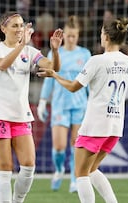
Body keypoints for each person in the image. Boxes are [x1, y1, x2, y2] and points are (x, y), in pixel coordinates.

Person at [37, 17, 128, 203]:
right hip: (115, 125)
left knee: (81, 174)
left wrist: (55, 75)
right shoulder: (127, 61)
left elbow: (74, 86)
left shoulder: (96, 60)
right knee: (92, 169)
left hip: (95, 124)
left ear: (105, 36)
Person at [0, 11, 63, 203]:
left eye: (21, 25)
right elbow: (2, 65)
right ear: (3, 29)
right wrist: (22, 46)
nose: (19, 29)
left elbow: (53, 67)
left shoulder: (29, 51)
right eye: (15, 26)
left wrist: (55, 50)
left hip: (20, 115)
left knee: (28, 165)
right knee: (5, 168)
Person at [36, 15, 91, 193]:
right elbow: (49, 79)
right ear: (64, 34)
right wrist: (43, 101)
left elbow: (88, 80)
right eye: (69, 35)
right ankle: (59, 170)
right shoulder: (54, 53)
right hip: (60, 104)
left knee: (77, 144)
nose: (71, 38)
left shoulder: (85, 54)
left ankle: (75, 179)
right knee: (59, 146)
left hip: (80, 104)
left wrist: (92, 101)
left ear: (78, 35)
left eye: (75, 35)